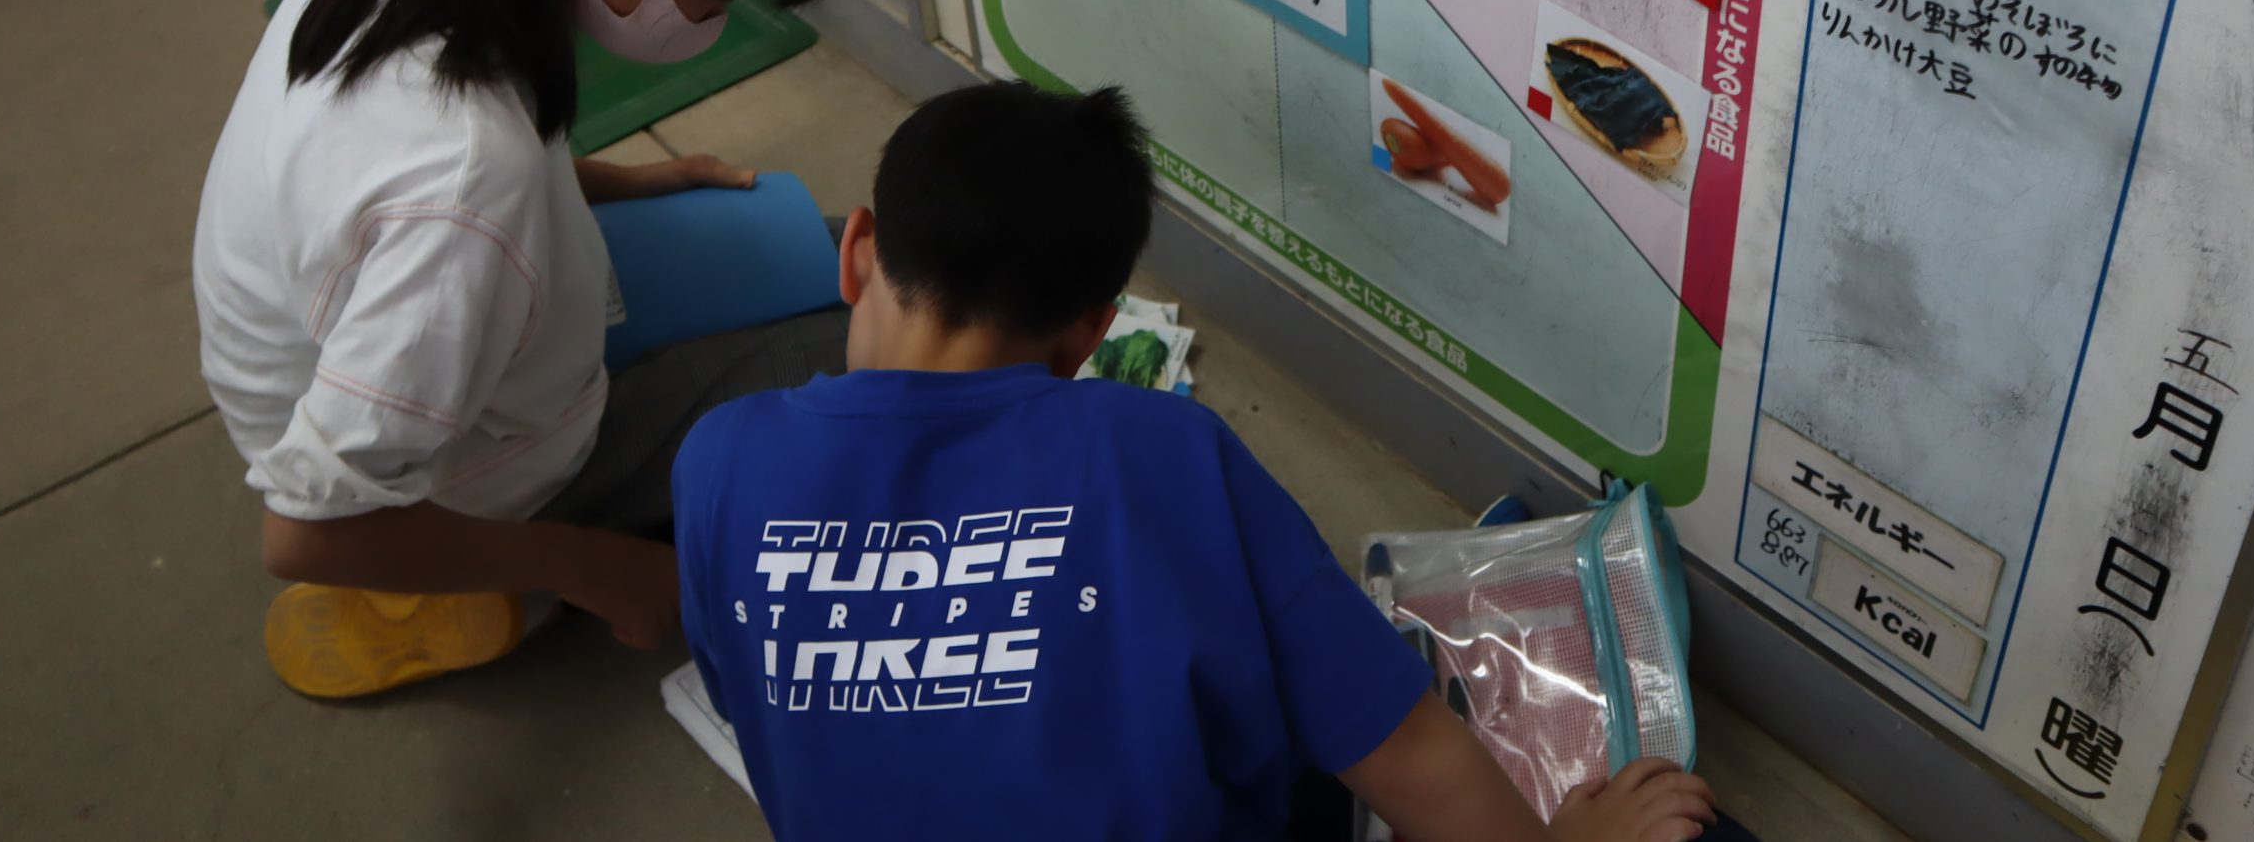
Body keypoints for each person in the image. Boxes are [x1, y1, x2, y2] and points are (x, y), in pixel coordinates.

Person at [671, 81, 1721, 842]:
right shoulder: (1158, 452)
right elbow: (1398, 745)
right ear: (1090, 334)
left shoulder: (719, 460)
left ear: (856, 251)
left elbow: (752, 694)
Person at [193, 0, 856, 700]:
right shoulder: (465, 190)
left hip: (417, 334)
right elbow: (305, 529)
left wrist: (626, 183)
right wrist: (601, 568)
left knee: (871, 267)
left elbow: (398, 196)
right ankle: (488, 583)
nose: (717, 21)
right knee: (887, 359)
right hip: (432, 475)